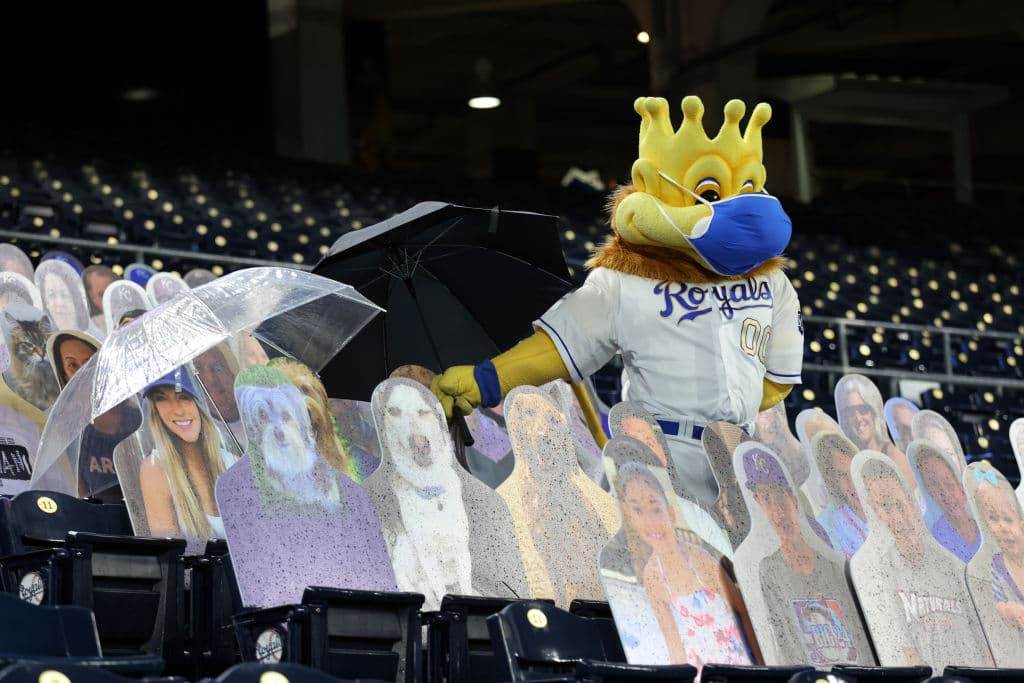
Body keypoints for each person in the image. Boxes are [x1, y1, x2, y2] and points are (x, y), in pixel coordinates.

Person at [849, 455, 993, 669]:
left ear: (911, 501)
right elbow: (904, 655)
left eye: (900, 503)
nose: (897, 516)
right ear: (873, 510)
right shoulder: (876, 572)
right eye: (886, 506)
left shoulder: (953, 566)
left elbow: (985, 647)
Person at [615, 460, 755, 671]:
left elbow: (743, 612)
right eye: (637, 510)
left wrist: (761, 668)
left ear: (670, 514)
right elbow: (674, 644)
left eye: (655, 508)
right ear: (631, 519)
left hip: (736, 664)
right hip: (700, 669)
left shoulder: (700, 560)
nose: (650, 521)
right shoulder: (652, 576)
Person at [741, 446, 873, 665]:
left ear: (794, 501)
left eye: (781, 498)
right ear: (758, 502)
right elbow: (782, 641)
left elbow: (858, 637)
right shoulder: (768, 569)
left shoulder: (833, 568)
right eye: (767, 499)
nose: (778, 512)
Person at [500, 388, 617, 607]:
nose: (543, 429)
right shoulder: (507, 498)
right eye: (531, 413)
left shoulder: (592, 498)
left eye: (552, 419)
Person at [138, 367, 236, 545]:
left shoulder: (232, 463)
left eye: (184, 396)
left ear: (200, 402)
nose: (177, 410)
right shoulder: (155, 469)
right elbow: (169, 560)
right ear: (155, 410)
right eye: (161, 398)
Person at [837, 376, 915, 488]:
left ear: (873, 413)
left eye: (863, 410)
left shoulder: (894, 457)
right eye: (850, 413)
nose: (858, 418)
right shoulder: (844, 460)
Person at [972, 468, 1024, 630]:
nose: (1002, 527)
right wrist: (1004, 609)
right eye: (993, 519)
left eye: (1008, 520)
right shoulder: (994, 568)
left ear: (1022, 527)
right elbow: (988, 607)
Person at [914, 442, 979, 563]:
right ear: (929, 493)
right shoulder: (935, 539)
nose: (946, 494)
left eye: (948, 483)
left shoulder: (984, 522)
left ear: (960, 485)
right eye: (934, 486)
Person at [812, 431, 868, 557]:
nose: (852, 483)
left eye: (854, 469)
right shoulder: (829, 525)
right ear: (831, 480)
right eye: (841, 475)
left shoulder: (883, 502)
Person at [193, 344, 246, 449]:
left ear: (233, 376)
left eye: (218, 368)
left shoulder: (260, 414)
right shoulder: (200, 439)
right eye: (198, 370)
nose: (210, 379)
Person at [36, 262, 88, 332]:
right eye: (52, 295)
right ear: (46, 303)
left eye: (65, 295)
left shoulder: (92, 340)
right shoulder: (42, 340)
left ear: (77, 299)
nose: (59, 303)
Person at [81, 265, 117, 335]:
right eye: (102, 295)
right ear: (89, 296)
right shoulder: (86, 329)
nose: (110, 299)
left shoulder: (132, 320)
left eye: (113, 292)